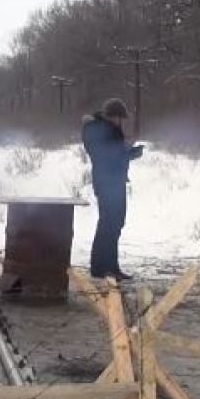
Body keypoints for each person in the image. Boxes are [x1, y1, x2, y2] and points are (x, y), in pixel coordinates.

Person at [82, 98, 143, 281]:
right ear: (112, 116)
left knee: (113, 224)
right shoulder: (98, 130)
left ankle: (110, 267)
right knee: (109, 224)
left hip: (112, 181)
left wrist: (129, 152)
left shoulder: (103, 129)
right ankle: (102, 268)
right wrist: (131, 152)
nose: (120, 122)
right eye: (119, 118)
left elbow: (114, 155)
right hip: (107, 181)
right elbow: (108, 157)